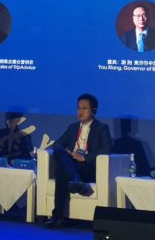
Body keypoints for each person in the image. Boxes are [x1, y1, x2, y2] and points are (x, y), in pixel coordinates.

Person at [44, 93, 112, 228]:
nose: (80, 111)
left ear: (94, 110)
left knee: (60, 172)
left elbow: (107, 149)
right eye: (78, 108)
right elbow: (57, 144)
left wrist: (84, 157)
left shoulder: (101, 128)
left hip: (87, 167)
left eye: (84, 108)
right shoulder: (72, 127)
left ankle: (57, 217)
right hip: (71, 164)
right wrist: (68, 153)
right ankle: (75, 180)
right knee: (59, 152)